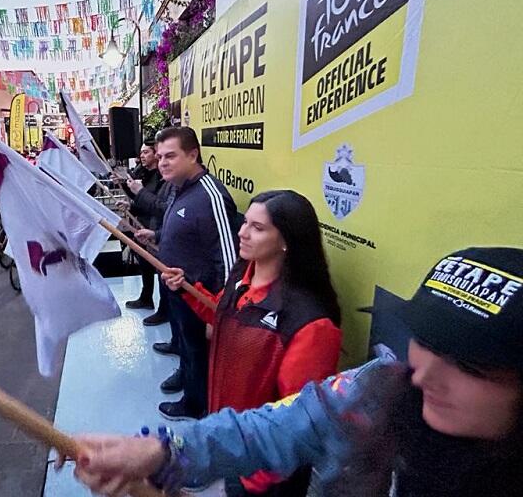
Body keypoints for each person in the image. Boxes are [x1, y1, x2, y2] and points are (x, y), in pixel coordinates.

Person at [64, 247, 523, 497]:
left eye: (469, 365)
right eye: (425, 342)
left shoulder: (308, 318)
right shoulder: (380, 387)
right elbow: (274, 428)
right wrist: (164, 453)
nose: (423, 376)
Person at [162, 190, 342, 496]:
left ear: (287, 240)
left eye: (257, 228)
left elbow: (297, 419)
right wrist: (187, 289)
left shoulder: (311, 323)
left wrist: (256, 477)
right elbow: (222, 315)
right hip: (234, 446)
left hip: (265, 471)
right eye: (245, 223)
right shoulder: (242, 276)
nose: (242, 233)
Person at [136, 127, 238, 421]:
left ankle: (195, 405)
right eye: (160, 156)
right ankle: (187, 378)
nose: (163, 162)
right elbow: (181, 231)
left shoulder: (210, 195)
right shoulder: (179, 188)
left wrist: (219, 310)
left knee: (197, 349)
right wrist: (155, 235)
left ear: (193, 155)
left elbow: (228, 258)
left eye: (171, 156)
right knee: (186, 344)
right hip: (179, 288)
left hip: (200, 294)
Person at [121, 141, 164, 312]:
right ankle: (146, 297)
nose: (142, 156)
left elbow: (158, 205)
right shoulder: (143, 173)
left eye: (146, 152)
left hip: (157, 229)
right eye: (141, 153)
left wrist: (140, 193)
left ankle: (164, 309)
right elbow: (142, 201)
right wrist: (130, 205)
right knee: (145, 265)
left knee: (162, 270)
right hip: (143, 226)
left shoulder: (162, 178)